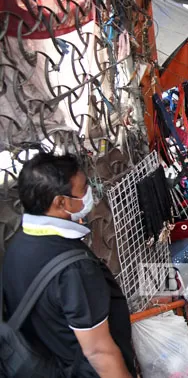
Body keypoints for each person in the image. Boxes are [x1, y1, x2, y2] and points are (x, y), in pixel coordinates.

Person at [3, 153, 135, 377]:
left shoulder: (19, 245)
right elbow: (99, 352)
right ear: (60, 202)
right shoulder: (75, 269)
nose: (89, 193)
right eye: (83, 189)